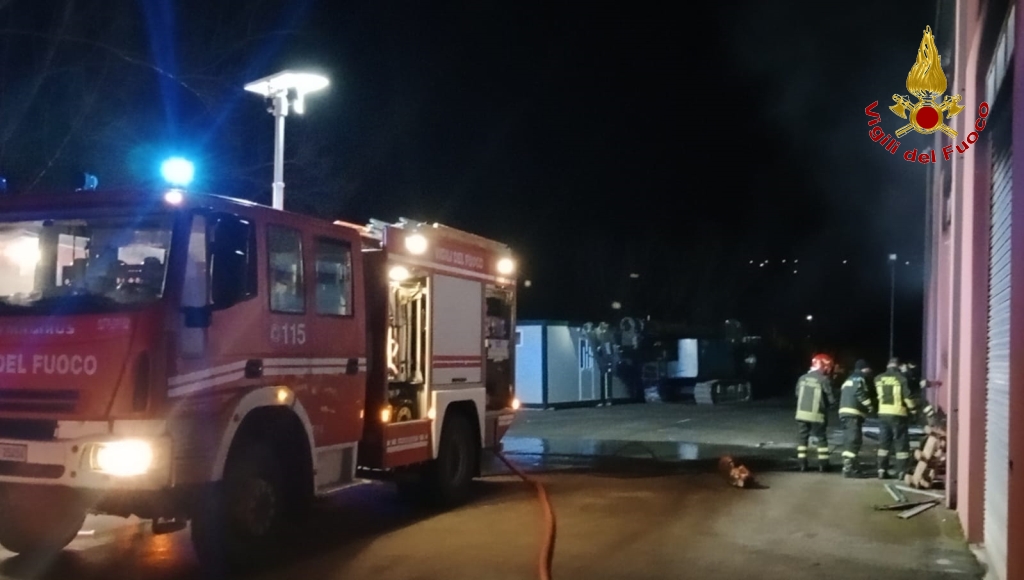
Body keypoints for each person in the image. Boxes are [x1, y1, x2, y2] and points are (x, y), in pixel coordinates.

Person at [874, 358, 919, 479]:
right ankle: (902, 471)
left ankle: (881, 470)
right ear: (898, 366)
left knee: (883, 443)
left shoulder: (878, 378)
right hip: (898, 414)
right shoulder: (901, 378)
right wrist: (913, 410)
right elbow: (908, 398)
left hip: (883, 414)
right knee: (901, 443)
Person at [794, 354, 836, 472]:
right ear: (825, 366)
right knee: (821, 438)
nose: (829, 370)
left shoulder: (802, 378)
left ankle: (802, 464)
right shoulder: (824, 379)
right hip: (817, 415)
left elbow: (797, 394)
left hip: (801, 414)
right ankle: (823, 465)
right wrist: (830, 406)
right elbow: (831, 399)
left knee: (802, 439)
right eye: (828, 367)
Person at [838, 359, 874, 478]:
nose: (870, 371)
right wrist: (869, 405)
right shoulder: (859, 379)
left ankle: (850, 465)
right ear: (864, 368)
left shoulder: (848, 379)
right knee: (854, 440)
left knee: (849, 440)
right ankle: (849, 468)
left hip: (844, 413)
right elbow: (859, 392)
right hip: (853, 413)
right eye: (868, 368)